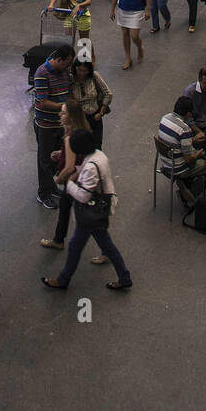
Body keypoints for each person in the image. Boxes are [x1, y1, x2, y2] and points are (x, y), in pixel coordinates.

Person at [42, 130, 132, 291]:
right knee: (106, 244)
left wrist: (69, 183)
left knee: (76, 246)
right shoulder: (99, 155)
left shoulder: (90, 167)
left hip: (91, 213)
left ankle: (63, 280)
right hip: (99, 210)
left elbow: (83, 196)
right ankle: (124, 277)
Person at [39, 100, 107, 262]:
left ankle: (106, 251)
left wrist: (58, 179)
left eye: (63, 113)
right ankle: (58, 239)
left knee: (89, 221)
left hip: (76, 182)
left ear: (71, 117)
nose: (60, 115)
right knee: (64, 207)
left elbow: (69, 167)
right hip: (80, 180)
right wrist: (60, 153)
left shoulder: (70, 137)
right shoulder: (81, 130)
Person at [157, 95, 206, 205]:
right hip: (179, 167)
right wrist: (199, 153)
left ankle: (187, 182)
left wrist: (192, 140)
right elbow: (189, 159)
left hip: (167, 162)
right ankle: (190, 192)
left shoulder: (165, 118)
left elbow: (175, 141)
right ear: (188, 113)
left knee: (200, 152)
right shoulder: (184, 129)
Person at [33, 44, 75, 209]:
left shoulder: (64, 71)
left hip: (60, 124)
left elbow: (68, 91)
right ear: (59, 59)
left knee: (56, 157)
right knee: (44, 160)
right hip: (45, 125)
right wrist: (63, 107)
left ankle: (52, 187)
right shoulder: (41, 74)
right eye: (67, 63)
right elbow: (43, 103)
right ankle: (43, 194)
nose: (68, 68)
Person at [68, 53, 112, 149]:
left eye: (85, 71)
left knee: (96, 147)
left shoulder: (94, 76)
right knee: (81, 148)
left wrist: (101, 113)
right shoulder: (70, 80)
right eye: (79, 70)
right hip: (79, 119)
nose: (82, 73)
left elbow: (108, 94)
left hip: (94, 117)